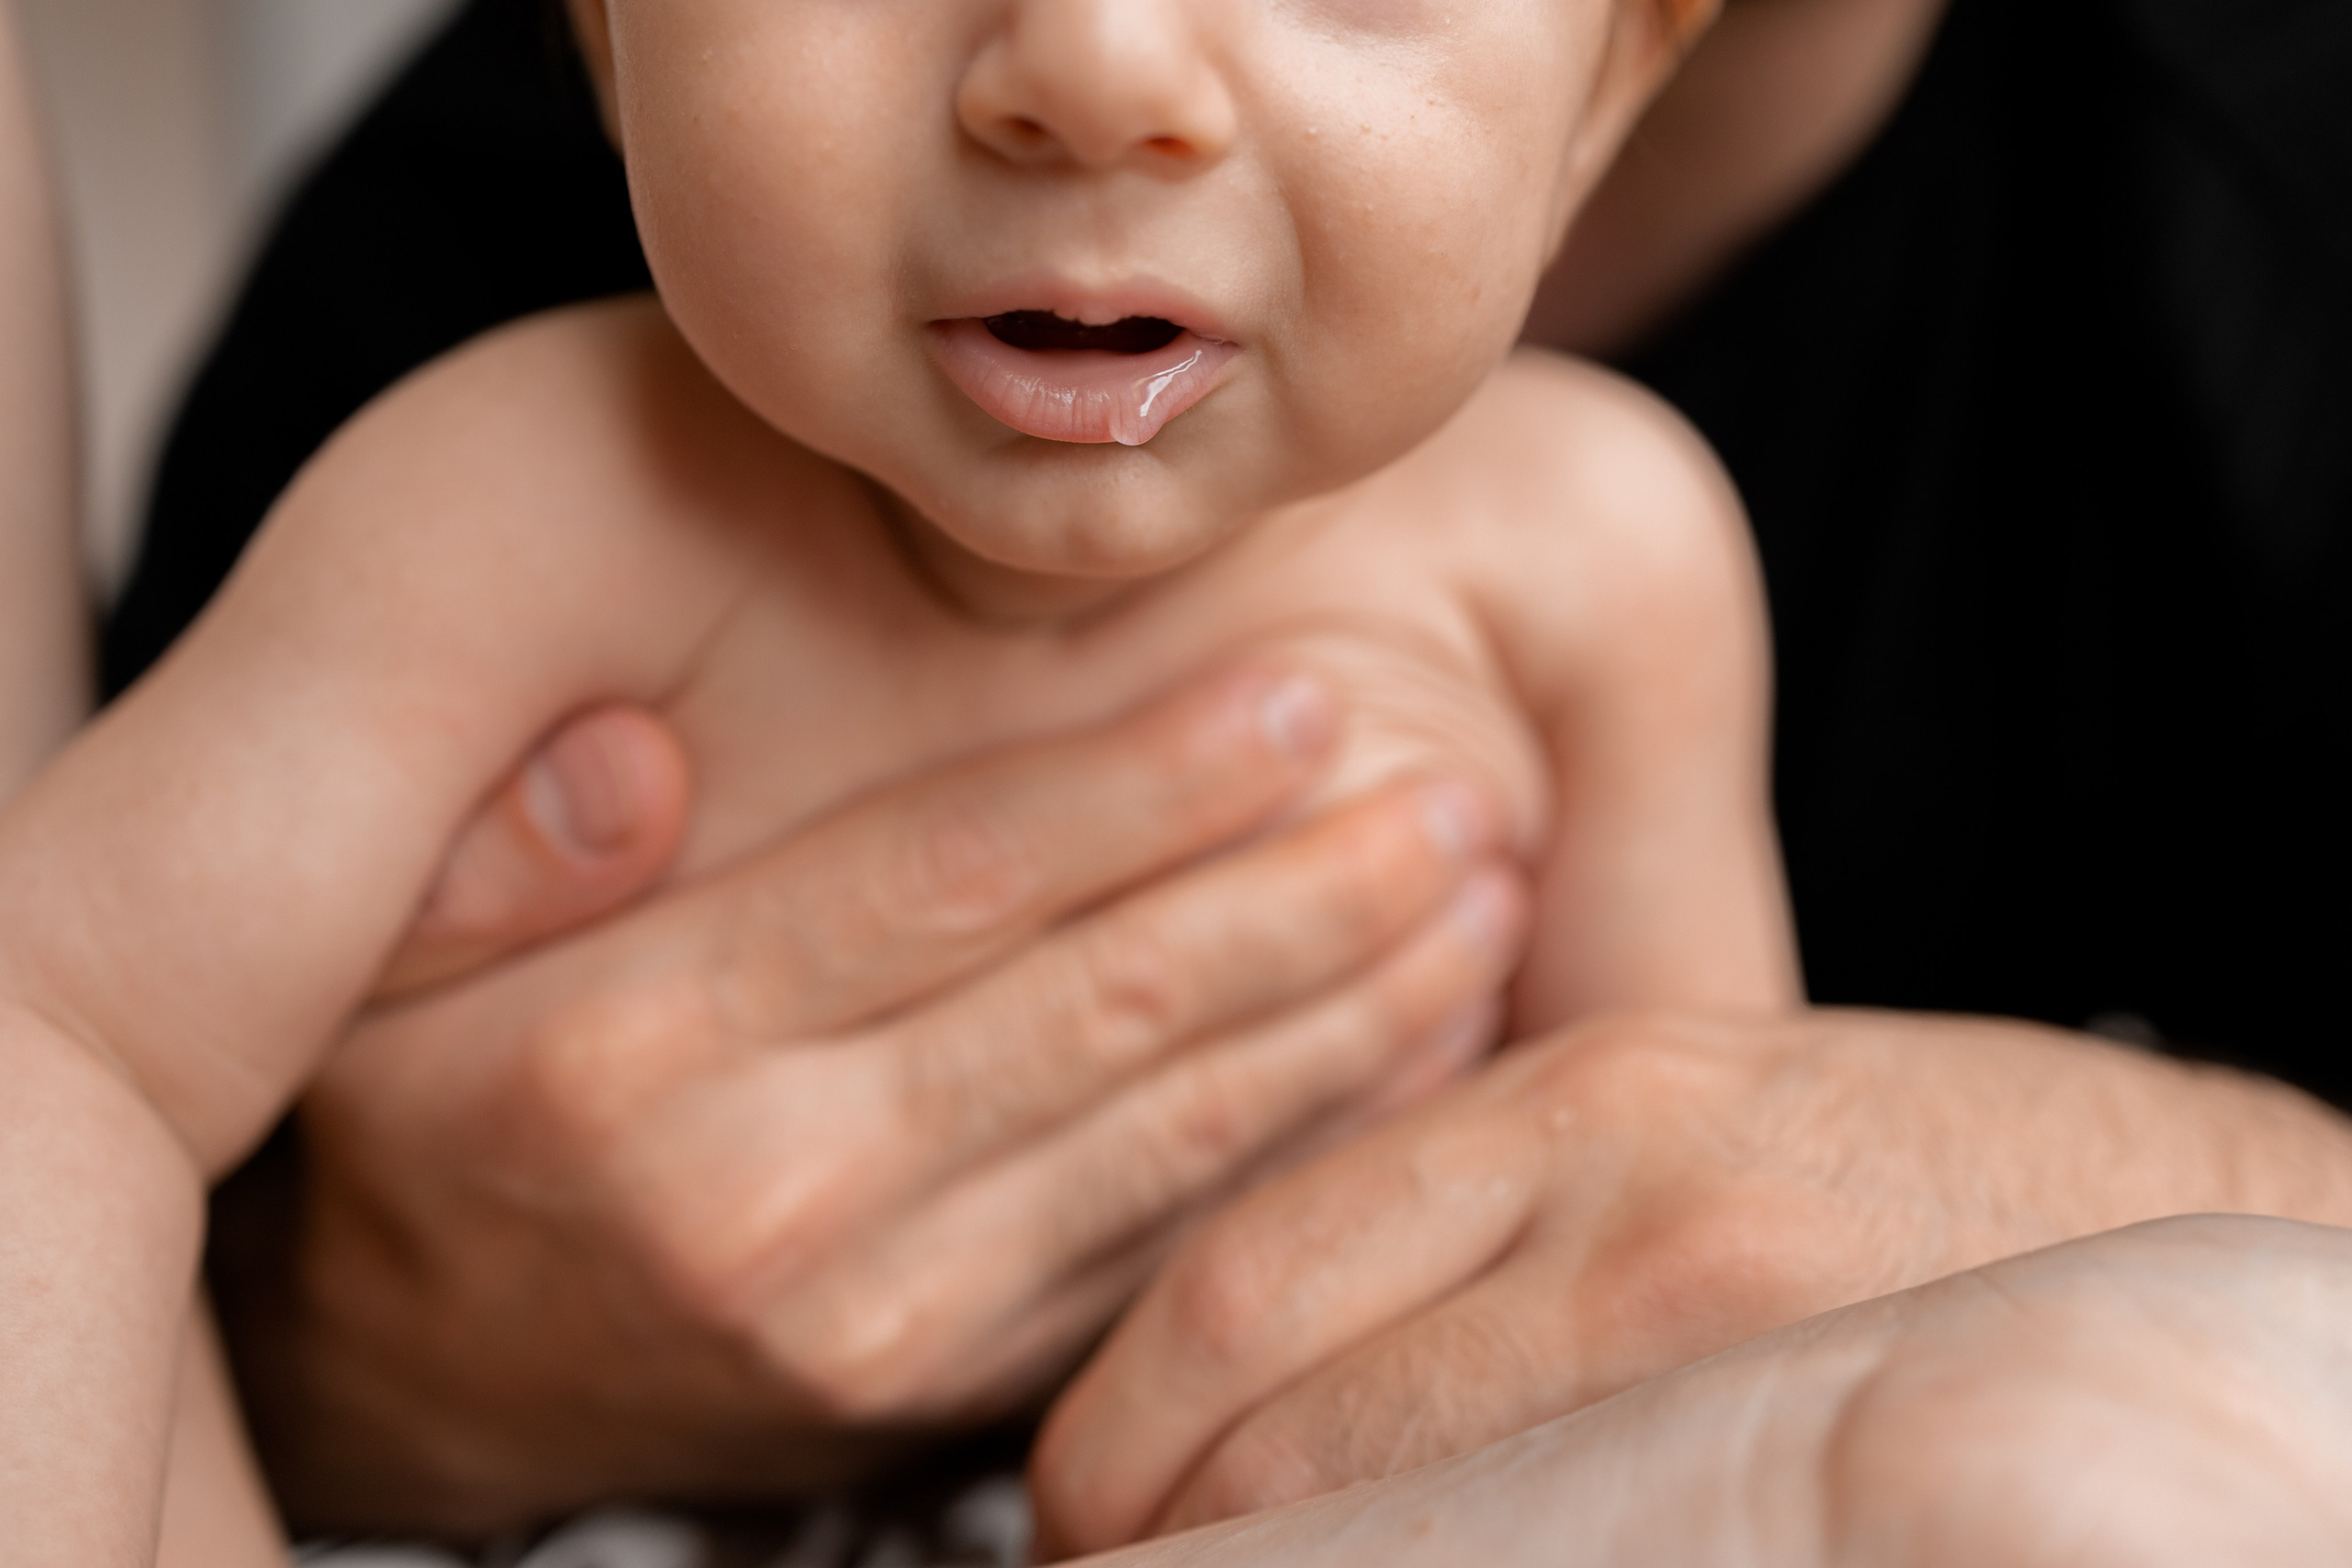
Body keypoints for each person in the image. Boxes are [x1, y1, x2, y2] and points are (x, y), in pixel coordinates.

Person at [100, 0, 2349, 1539]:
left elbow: (1678, 1312)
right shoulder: (479, 496)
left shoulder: (1594, 565)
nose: (1091, 67)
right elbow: (62, 1051)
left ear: (1604, 88)